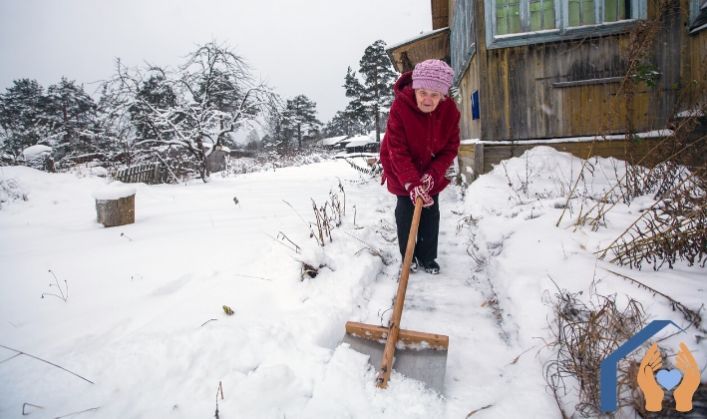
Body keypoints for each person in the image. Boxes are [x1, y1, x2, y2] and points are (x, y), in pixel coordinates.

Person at [379, 59, 460, 275]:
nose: (427, 99)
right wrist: (411, 183)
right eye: (422, 92)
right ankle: (409, 257)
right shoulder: (400, 108)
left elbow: (450, 148)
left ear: (443, 96)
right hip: (401, 170)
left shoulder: (450, 112)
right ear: (415, 89)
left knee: (430, 214)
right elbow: (397, 149)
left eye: (434, 95)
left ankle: (427, 257)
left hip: (430, 173)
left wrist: (433, 174)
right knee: (406, 213)